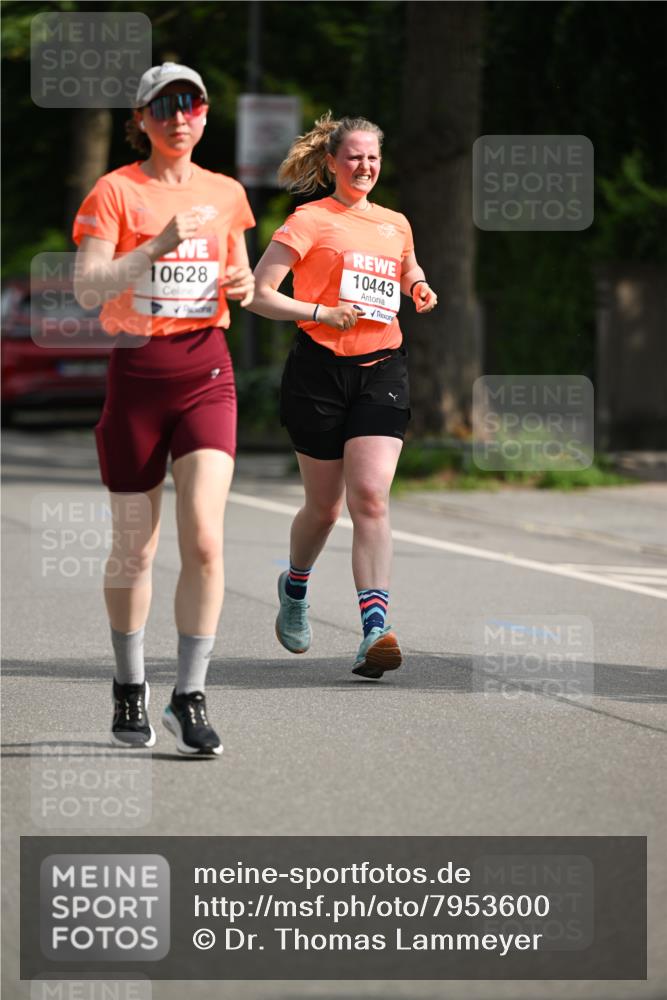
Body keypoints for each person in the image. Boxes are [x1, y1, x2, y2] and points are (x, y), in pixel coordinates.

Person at [72, 63, 255, 754]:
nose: (181, 115)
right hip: (138, 378)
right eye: (166, 105)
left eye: (194, 103)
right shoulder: (115, 191)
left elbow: (239, 275)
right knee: (135, 549)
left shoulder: (226, 192)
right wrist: (156, 245)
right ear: (142, 118)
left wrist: (240, 280)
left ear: (205, 115)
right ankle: (128, 688)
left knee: (205, 539)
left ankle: (189, 695)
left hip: (206, 371)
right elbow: (89, 289)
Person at [250, 113, 437, 679]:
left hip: (383, 367)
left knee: (371, 497)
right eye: (354, 157)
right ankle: (296, 586)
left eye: (373, 158)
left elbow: (405, 265)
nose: (365, 167)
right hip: (318, 373)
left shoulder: (395, 222)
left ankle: (374, 630)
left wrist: (418, 285)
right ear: (332, 163)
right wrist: (321, 312)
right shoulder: (308, 221)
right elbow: (259, 295)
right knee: (325, 507)